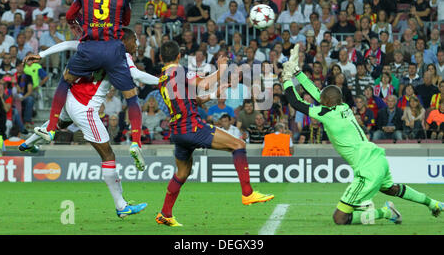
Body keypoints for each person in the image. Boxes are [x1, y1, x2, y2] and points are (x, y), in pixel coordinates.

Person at [281, 43, 444, 225]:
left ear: (326, 103)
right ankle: (433, 203)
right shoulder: (343, 107)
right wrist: (297, 72)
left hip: (367, 170)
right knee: (391, 188)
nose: (318, 99)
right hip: (378, 159)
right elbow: (318, 94)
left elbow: (296, 103)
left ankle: (384, 212)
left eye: (322, 99)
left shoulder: (325, 114)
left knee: (340, 218)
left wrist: (287, 78)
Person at [20, 29, 157, 218]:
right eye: (134, 40)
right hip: (85, 108)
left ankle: (28, 143)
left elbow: (68, 44)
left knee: (61, 123)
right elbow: (139, 76)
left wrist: (42, 54)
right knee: (108, 154)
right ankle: (121, 205)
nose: (137, 45)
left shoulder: (94, 46)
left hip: (71, 96)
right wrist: (163, 81)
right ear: (124, 41)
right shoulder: (122, 56)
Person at [32, 0, 145, 162]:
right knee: (131, 96)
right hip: (113, 49)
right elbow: (126, 21)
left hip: (89, 47)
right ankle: (136, 141)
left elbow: (70, 15)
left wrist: (77, 25)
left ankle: (50, 128)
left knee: (66, 80)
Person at [155, 41, 273, 227]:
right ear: (179, 56)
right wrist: (220, 70)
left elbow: (193, 98)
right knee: (239, 145)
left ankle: (165, 213)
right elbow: (203, 83)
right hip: (192, 126)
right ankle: (248, 193)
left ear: (161, 58)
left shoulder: (162, 78)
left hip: (177, 131)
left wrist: (213, 95)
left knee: (183, 172)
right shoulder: (179, 71)